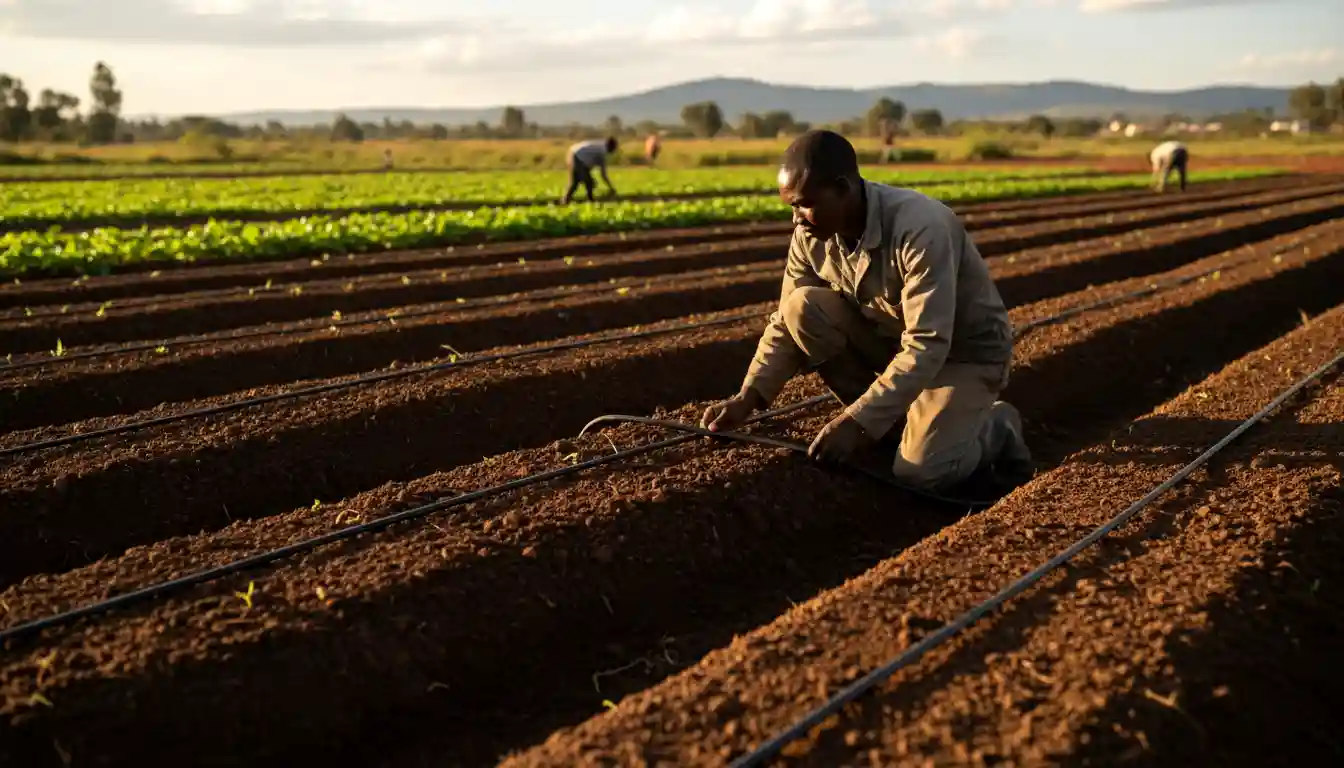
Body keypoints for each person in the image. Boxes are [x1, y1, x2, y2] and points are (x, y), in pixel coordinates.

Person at [700, 130, 1033, 493]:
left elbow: (928, 343)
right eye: (792, 206)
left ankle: (996, 427)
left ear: (843, 188)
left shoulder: (920, 227)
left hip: (962, 356)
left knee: (923, 473)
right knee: (802, 309)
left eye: (805, 203)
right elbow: (785, 320)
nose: (797, 218)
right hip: (892, 341)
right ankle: (894, 426)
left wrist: (856, 423)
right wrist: (747, 397)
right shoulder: (811, 233)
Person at [562, 136, 619, 204]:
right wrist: (611, 188)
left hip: (572, 153)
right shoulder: (602, 152)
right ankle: (590, 200)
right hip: (577, 157)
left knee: (576, 182)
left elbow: (589, 165)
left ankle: (565, 200)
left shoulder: (600, 146)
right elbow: (603, 174)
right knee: (589, 182)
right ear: (611, 147)